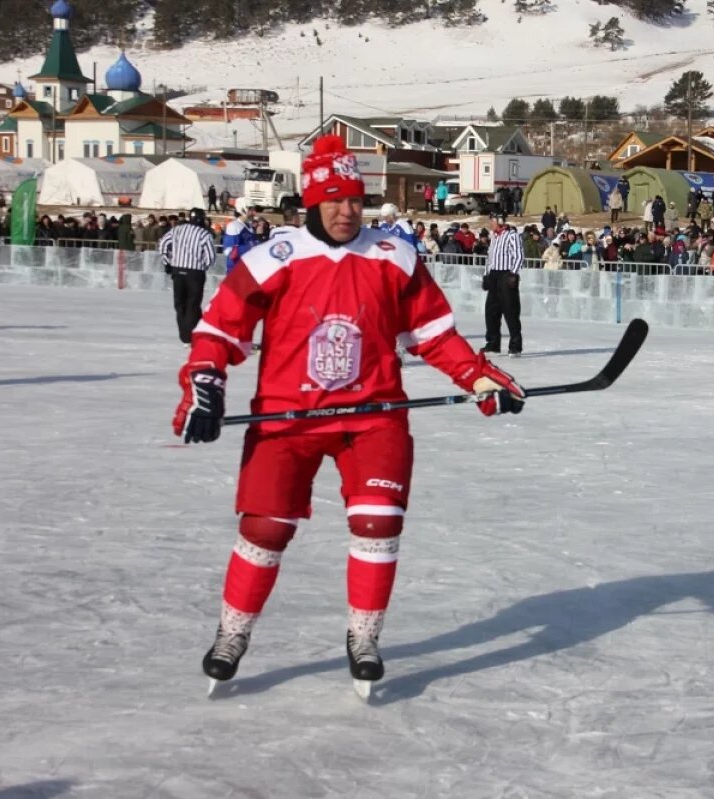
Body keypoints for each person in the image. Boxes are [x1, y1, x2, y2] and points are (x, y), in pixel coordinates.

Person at [172, 135, 526, 692]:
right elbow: (220, 330)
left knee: (378, 522)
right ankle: (232, 631)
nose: (347, 211)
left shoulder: (393, 255)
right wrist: (206, 381)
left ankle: (364, 634)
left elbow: (434, 335)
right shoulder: (274, 258)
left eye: (356, 199)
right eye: (334, 200)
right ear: (311, 201)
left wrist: (478, 377)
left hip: (372, 415)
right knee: (265, 529)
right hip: (288, 418)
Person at [158, 207, 216, 345]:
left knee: (180, 304)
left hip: (177, 270)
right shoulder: (204, 234)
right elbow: (210, 257)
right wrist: (204, 266)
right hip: (195, 272)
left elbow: (163, 244)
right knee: (193, 304)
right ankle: (191, 336)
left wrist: (167, 262)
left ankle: (186, 335)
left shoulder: (178, 229)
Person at [483, 214, 523, 356]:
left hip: (506, 275)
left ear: (500, 222)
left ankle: (515, 346)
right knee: (491, 311)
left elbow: (519, 256)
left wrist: (513, 274)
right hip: (494, 275)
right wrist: (486, 275)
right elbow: (490, 257)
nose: (490, 224)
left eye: (492, 222)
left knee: (510, 311)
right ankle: (493, 343)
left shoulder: (512, 235)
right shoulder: (494, 236)